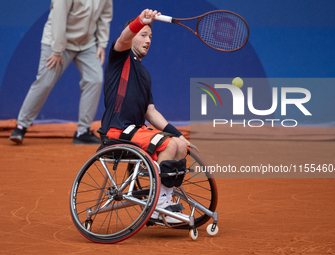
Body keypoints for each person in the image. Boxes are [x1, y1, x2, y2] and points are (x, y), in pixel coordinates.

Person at [100, 9, 196, 224]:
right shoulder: (120, 57)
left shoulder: (144, 74)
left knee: (178, 146)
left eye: (150, 36)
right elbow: (123, 37)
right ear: (133, 35)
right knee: (168, 146)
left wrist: (179, 135)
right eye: (143, 35)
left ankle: (164, 201)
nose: (148, 40)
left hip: (137, 131)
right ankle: (157, 208)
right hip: (116, 130)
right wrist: (139, 22)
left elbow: (150, 112)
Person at [9, 0, 113, 145]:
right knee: (45, 82)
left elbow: (105, 15)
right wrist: (57, 50)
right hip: (56, 42)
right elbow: (58, 17)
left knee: (95, 79)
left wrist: (102, 43)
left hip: (87, 44)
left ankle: (83, 132)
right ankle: (21, 127)